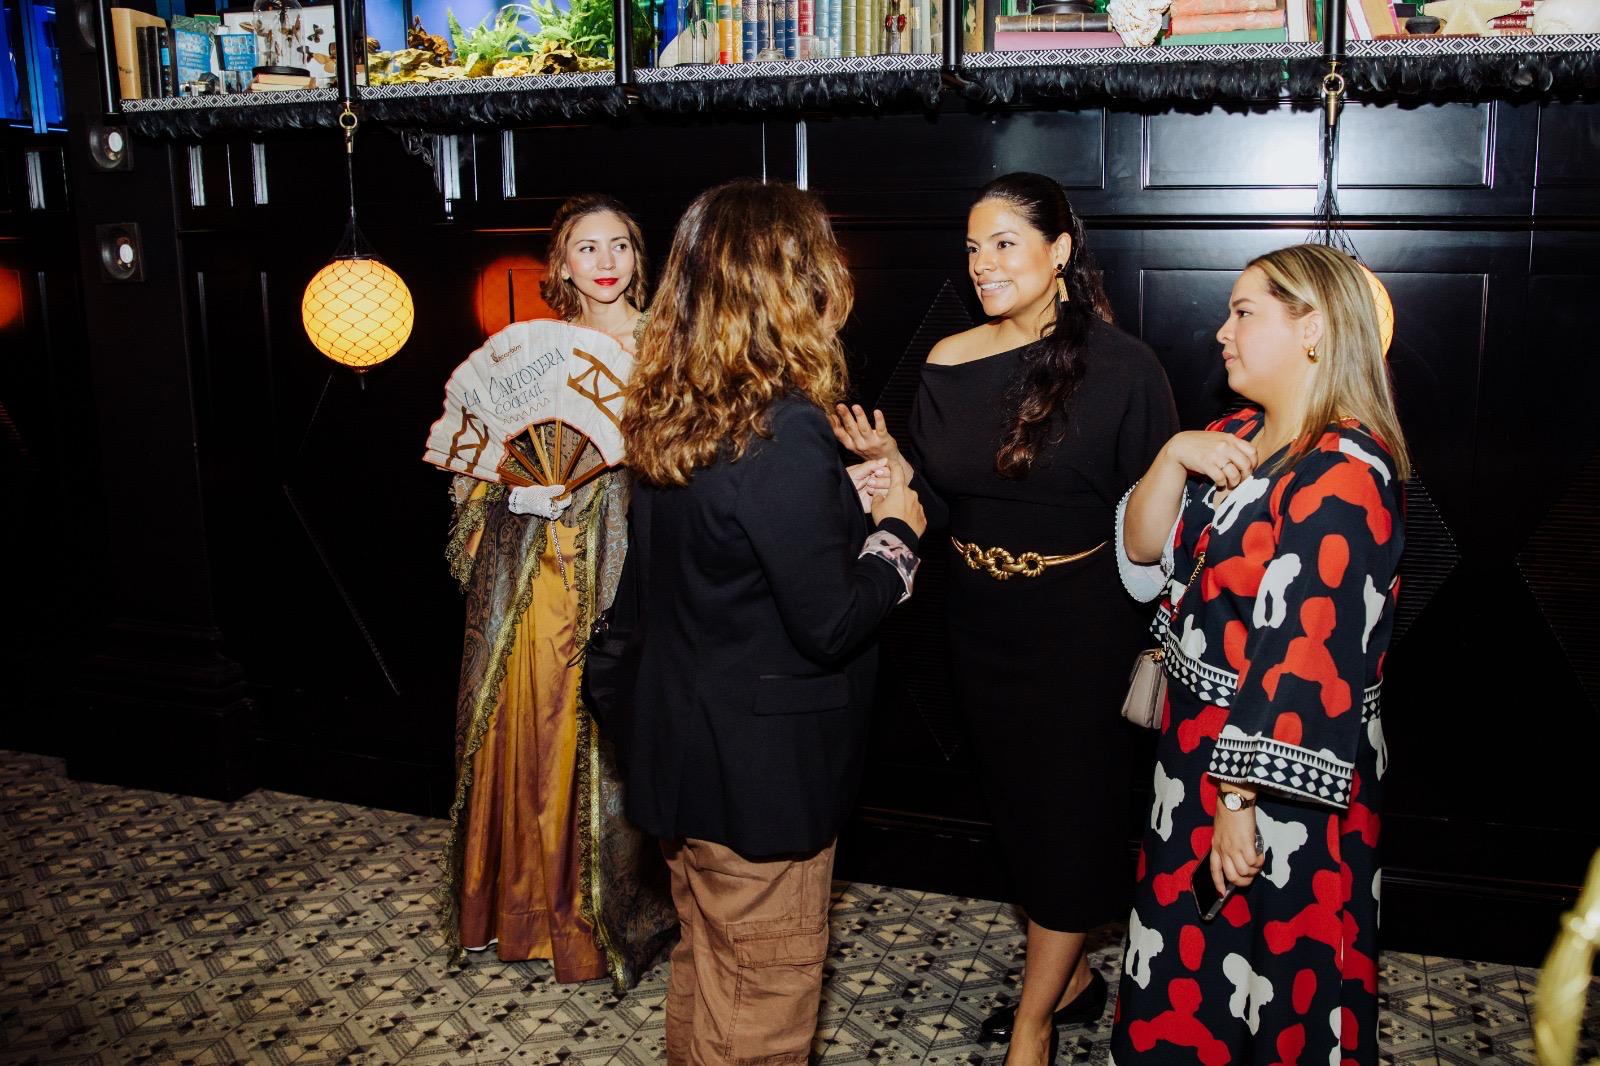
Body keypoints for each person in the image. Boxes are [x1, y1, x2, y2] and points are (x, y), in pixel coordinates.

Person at [830, 172, 1178, 1065]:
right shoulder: (949, 358)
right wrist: (892, 464)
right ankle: (1073, 976)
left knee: (1067, 819)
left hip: (1082, 628)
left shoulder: (1126, 369)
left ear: (1059, 250)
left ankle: (1034, 1025)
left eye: (1004, 244)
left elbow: (1158, 527)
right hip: (977, 624)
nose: (982, 264)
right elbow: (944, 500)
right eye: (973, 248)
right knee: (1019, 812)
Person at [611, 179, 925, 1064]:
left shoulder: (675, 408)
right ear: (793, 284)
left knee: (708, 973)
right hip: (759, 780)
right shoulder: (783, 427)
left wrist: (834, 501)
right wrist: (897, 531)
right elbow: (831, 622)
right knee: (761, 1008)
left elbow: (723, 554)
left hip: (681, 752)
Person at [1109, 243, 1408, 1065]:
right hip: (1195, 756)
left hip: (1281, 776)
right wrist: (1173, 453)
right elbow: (1144, 553)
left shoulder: (1345, 471)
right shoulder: (1233, 432)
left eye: (1244, 312)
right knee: (1185, 959)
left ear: (1313, 330)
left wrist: (1237, 798)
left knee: (1275, 971)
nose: (1222, 331)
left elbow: (1306, 657)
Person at [438, 194, 675, 988]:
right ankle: (521, 909)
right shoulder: (531, 356)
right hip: (538, 569)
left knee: (611, 728)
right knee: (535, 724)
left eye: (620, 245)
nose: (606, 262)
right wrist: (516, 493)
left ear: (639, 258)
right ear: (562, 264)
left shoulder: (670, 345)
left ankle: (603, 916)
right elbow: (477, 461)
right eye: (587, 248)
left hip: (630, 562)